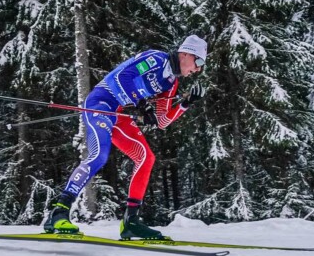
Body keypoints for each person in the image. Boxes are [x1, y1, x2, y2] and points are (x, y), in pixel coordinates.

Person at [43, 35, 208, 239]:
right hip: (102, 103)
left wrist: (185, 104)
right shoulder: (155, 60)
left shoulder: (171, 84)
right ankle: (59, 211)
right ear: (185, 53)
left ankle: (131, 222)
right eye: (198, 61)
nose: (198, 69)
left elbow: (162, 121)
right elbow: (120, 78)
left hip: (121, 114)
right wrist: (142, 105)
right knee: (99, 156)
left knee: (146, 158)